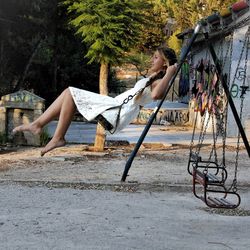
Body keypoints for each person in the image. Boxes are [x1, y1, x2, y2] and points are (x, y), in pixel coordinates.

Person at [13, 46, 178, 156]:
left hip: (116, 111)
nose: (152, 60)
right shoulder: (154, 78)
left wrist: (170, 73)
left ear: (165, 63)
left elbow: (156, 95)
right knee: (68, 93)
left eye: (156, 58)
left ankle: (57, 137)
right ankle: (39, 125)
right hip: (114, 105)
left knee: (70, 93)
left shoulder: (161, 82)